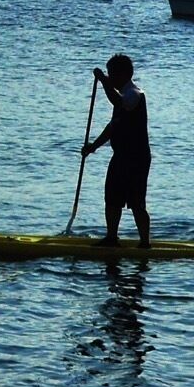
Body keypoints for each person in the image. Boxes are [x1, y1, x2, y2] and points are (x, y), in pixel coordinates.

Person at [81, 53, 151, 247]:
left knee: (136, 203)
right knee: (112, 198)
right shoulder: (122, 96)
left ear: (123, 75)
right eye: (109, 74)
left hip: (137, 158)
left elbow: (116, 101)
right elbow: (113, 127)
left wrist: (103, 81)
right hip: (120, 156)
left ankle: (145, 244)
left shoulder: (134, 94)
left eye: (112, 74)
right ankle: (112, 238)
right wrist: (92, 148)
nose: (110, 78)